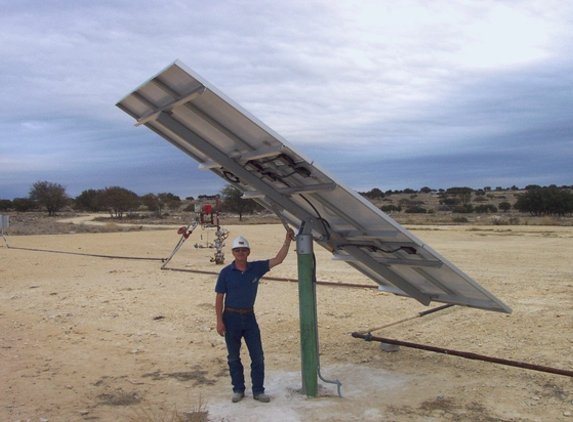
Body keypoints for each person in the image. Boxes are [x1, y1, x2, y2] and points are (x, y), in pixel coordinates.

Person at [215, 229, 295, 403]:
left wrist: (287, 240)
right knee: (234, 357)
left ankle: (258, 390)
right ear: (233, 253)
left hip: (249, 317)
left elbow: (278, 259)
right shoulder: (226, 273)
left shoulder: (256, 268)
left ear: (248, 252)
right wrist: (219, 321)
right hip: (231, 318)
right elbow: (219, 297)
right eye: (237, 250)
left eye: (243, 250)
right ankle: (238, 390)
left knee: (257, 356)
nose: (241, 253)